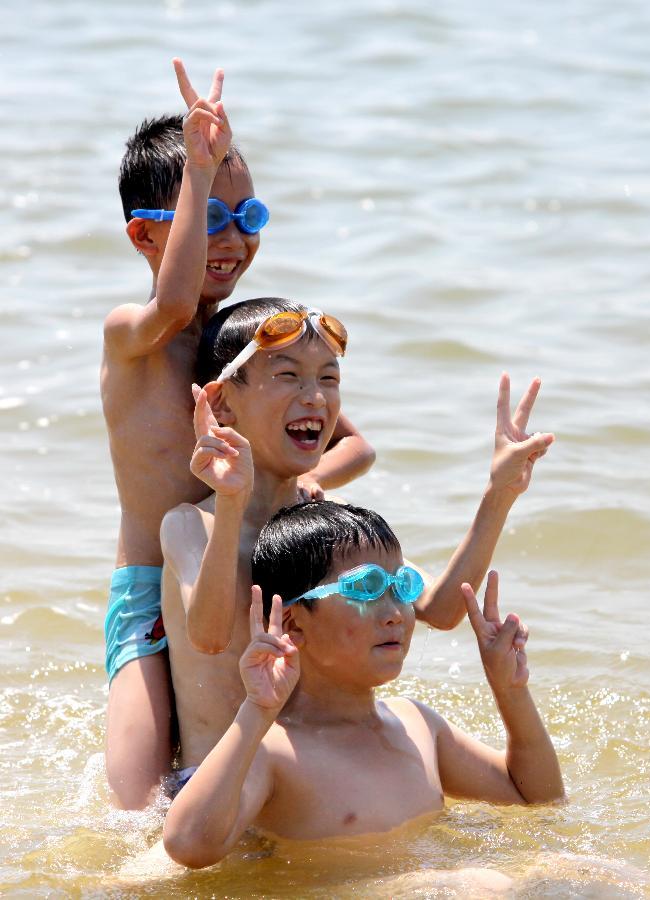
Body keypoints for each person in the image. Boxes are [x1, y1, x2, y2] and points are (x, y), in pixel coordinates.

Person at [101, 61, 374, 809]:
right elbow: (175, 298)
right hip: (153, 595)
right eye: (208, 217)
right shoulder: (134, 334)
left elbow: (354, 446)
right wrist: (197, 163)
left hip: (235, 567)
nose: (233, 238)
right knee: (137, 804)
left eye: (247, 218)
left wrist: (312, 481)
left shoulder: (241, 343)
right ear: (142, 235)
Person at [160, 295, 553, 785]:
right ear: (221, 403)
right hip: (223, 789)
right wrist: (233, 499)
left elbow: (442, 608)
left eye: (329, 378)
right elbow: (211, 636)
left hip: (314, 777)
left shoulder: (320, 520)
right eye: (288, 376)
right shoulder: (189, 524)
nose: (316, 398)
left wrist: (499, 494)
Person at [161, 500, 564, 868]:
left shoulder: (418, 724)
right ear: (293, 622)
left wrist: (510, 691)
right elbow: (188, 846)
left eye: (402, 587)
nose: (395, 615)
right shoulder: (274, 751)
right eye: (366, 589)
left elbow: (536, 799)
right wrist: (256, 711)